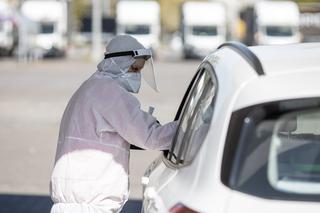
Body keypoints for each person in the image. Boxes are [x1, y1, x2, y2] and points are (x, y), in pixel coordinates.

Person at [50, 35, 177, 213]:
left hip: (75, 202)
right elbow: (150, 137)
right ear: (119, 63)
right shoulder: (110, 93)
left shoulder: (91, 86)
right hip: (91, 205)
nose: (137, 75)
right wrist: (188, 128)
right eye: (134, 69)